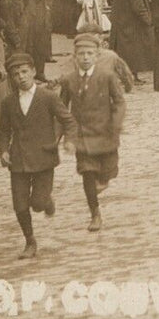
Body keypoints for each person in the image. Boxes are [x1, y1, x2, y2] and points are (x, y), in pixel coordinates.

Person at [0, 53, 77, 259]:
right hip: (19, 159)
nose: (21, 77)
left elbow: (68, 120)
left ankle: (46, 201)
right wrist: (4, 150)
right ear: (11, 78)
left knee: (38, 203)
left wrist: (68, 140)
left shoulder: (47, 97)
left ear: (33, 71)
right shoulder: (8, 102)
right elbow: (4, 130)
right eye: (15, 74)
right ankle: (30, 241)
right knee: (20, 205)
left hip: (43, 157)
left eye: (24, 72)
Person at [58, 33, 127, 232]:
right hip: (82, 136)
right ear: (74, 57)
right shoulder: (69, 80)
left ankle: (104, 180)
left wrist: (116, 124)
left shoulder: (107, 77)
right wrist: (63, 138)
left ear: (97, 56)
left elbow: (119, 101)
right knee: (87, 173)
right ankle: (95, 214)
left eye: (90, 53)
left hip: (105, 133)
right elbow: (62, 110)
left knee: (109, 171)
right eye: (81, 54)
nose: (85, 57)